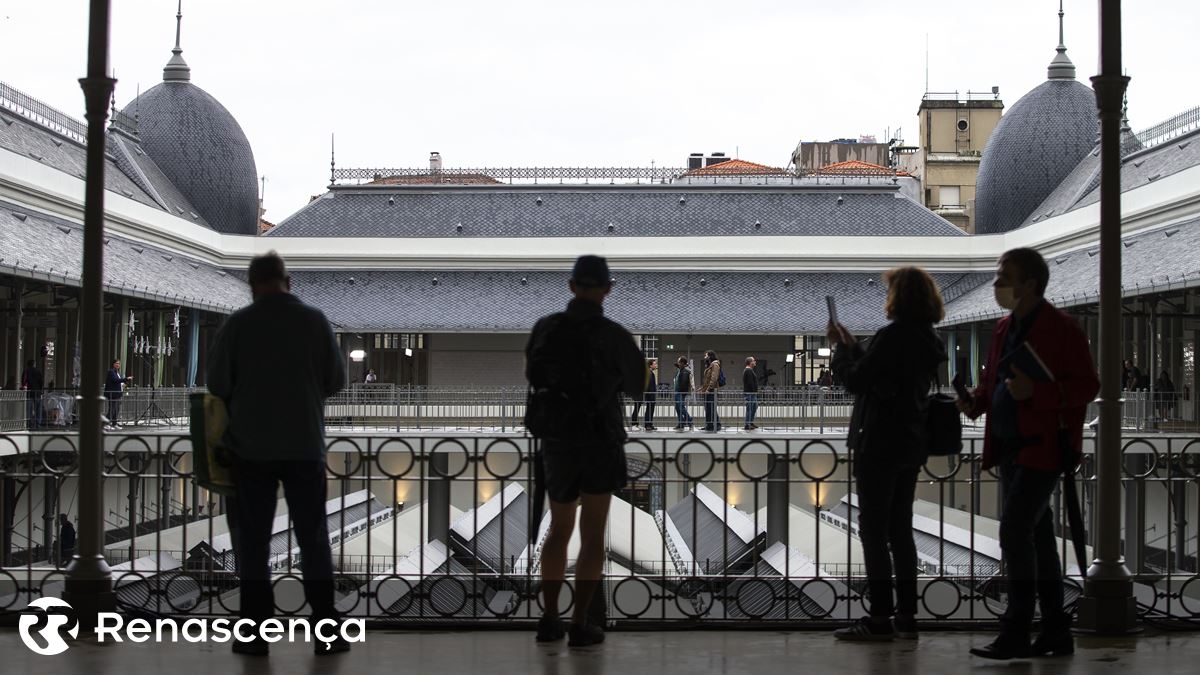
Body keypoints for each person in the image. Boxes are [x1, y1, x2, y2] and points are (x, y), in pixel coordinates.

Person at [959, 248, 1099, 660]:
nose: (998, 285)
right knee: (1037, 539)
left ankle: (1017, 629)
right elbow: (996, 381)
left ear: (1030, 284)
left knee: (1014, 531)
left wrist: (1035, 393)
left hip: (1043, 447)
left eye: (1005, 277)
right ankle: (1055, 628)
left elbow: (1087, 386)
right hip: (1012, 447)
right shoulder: (1005, 328)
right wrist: (977, 402)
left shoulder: (1063, 328)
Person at [207, 251, 349, 656]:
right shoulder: (315, 321)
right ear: (288, 281)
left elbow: (217, 383)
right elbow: (336, 380)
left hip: (250, 451)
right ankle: (327, 629)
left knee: (252, 541)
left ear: (252, 286)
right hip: (304, 446)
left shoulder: (238, 325)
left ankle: (254, 631)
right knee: (313, 538)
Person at [525, 255, 645, 647]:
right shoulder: (614, 335)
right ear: (608, 289)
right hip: (599, 440)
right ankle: (580, 622)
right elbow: (637, 386)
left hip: (557, 442)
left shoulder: (546, 328)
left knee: (559, 530)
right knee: (593, 534)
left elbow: (533, 373)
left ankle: (548, 618)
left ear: (571, 285)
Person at [828, 267, 947, 642]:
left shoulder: (893, 335)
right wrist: (854, 348)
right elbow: (884, 373)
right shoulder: (928, 338)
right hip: (911, 442)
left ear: (899, 297)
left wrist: (839, 352)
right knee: (901, 531)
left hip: (879, 441)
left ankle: (879, 617)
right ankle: (907, 616)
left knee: (874, 531)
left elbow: (858, 381)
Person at [103, 359, 132, 429]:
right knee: (112, 409)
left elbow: (117, 382)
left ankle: (114, 423)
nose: (118, 365)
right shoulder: (111, 372)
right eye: (116, 363)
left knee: (116, 409)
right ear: (113, 364)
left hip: (117, 394)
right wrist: (126, 379)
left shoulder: (116, 372)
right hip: (112, 394)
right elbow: (115, 380)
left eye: (119, 363)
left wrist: (123, 384)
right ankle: (105, 423)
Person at [631, 359, 658, 430]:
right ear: (650, 365)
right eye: (655, 364)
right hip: (643, 394)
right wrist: (650, 394)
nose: (656, 365)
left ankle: (642, 424)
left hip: (645, 394)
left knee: (640, 409)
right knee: (637, 409)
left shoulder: (650, 373)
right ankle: (635, 424)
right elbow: (648, 385)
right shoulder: (647, 373)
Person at [699, 351, 723, 432]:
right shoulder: (710, 365)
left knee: (711, 408)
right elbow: (707, 380)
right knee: (708, 408)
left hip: (711, 391)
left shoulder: (715, 364)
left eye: (705, 355)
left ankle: (717, 425)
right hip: (707, 391)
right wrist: (702, 388)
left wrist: (709, 389)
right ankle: (709, 425)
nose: (704, 357)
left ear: (709, 356)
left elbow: (714, 378)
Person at [672, 357, 695, 431]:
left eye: (679, 362)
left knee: (681, 407)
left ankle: (690, 422)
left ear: (682, 363)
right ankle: (681, 423)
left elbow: (684, 383)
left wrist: (682, 392)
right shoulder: (680, 370)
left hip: (680, 392)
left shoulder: (685, 372)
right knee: (678, 408)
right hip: (677, 391)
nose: (678, 363)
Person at [21, 359, 44, 429]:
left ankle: (29, 423)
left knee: (29, 409)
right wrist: (40, 390)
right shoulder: (38, 371)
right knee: (38, 408)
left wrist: (24, 387)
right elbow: (41, 382)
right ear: (34, 364)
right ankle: (38, 423)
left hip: (29, 392)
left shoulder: (26, 371)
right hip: (37, 392)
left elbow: (24, 381)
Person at [743, 356, 759, 430]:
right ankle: (747, 424)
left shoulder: (750, 370)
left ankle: (750, 422)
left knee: (754, 407)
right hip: (750, 393)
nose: (755, 362)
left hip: (752, 393)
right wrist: (754, 391)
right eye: (754, 360)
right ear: (750, 362)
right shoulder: (748, 370)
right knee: (750, 408)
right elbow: (750, 383)